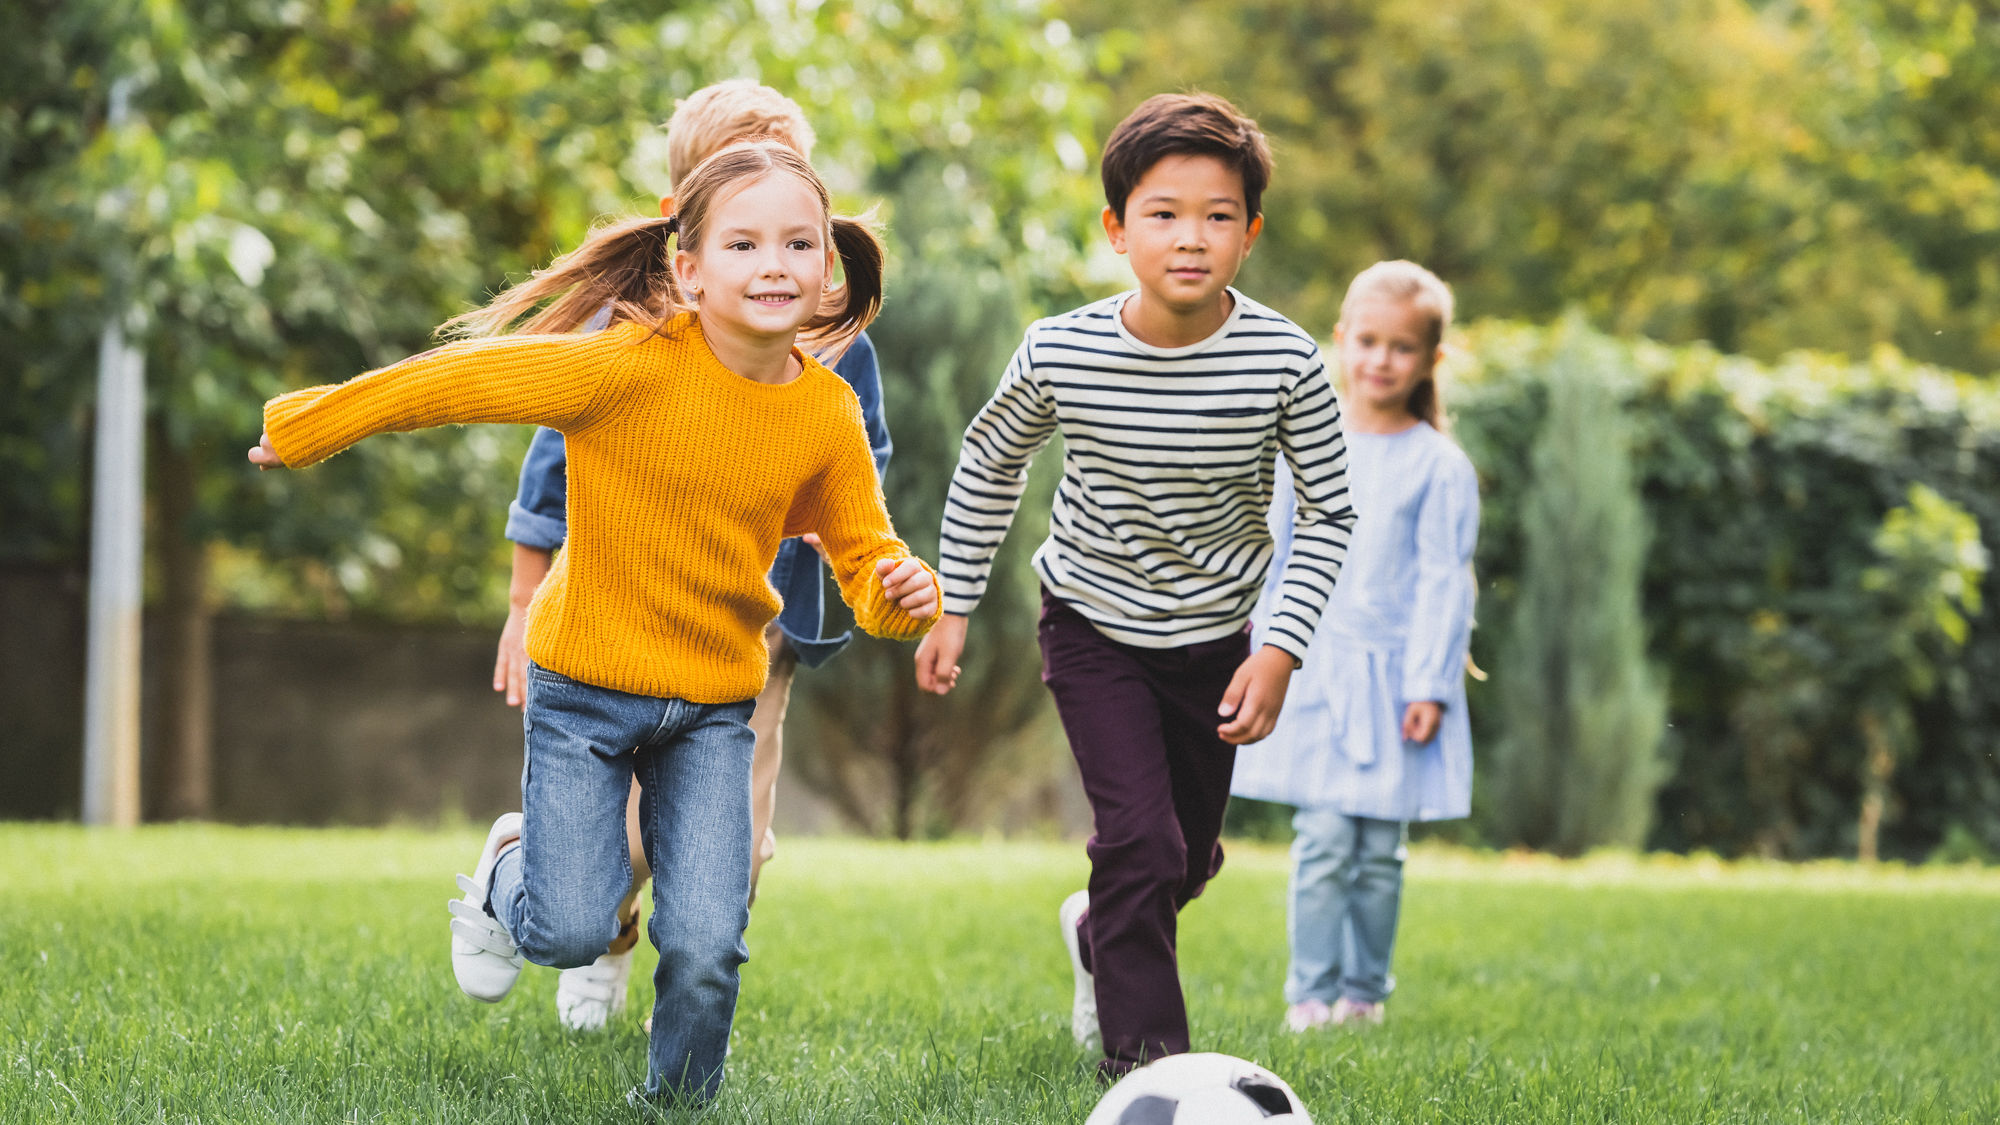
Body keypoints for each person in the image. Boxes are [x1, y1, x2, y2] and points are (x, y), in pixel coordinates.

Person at [248, 139, 939, 1106]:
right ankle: (509, 868)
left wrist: (904, 595)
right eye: (743, 245)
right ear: (688, 272)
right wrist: (312, 424)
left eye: (798, 243)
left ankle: (677, 1103)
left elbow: (867, 562)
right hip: (584, 689)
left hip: (712, 707)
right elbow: (460, 381)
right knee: (568, 928)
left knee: (708, 937)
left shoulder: (827, 413)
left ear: (828, 268)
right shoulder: (623, 368)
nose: (774, 264)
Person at [912, 92, 1358, 1078]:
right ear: (1117, 230)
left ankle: (1098, 933)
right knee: (1143, 845)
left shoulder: (1285, 362)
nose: (1190, 237)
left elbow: (1329, 513)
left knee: (1180, 859)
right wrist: (954, 602)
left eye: (1217, 215)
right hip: (1091, 626)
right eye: (1163, 213)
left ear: (1250, 234)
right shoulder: (1061, 350)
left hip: (1216, 639)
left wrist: (1279, 651)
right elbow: (990, 462)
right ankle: (1149, 1070)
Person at [492, 80, 894, 1035]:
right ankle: (594, 925)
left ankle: (684, 1013)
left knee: (732, 844)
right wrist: (522, 598)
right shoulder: (630, 335)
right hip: (624, 621)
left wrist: (838, 527)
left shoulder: (834, 339)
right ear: (687, 222)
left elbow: (864, 461)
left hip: (755, 629)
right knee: (611, 821)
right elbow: (550, 462)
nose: (772, 246)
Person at [1230, 260, 1479, 1031]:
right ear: (1340, 340)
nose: (1380, 360)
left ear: (1431, 359)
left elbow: (1443, 580)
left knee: (1378, 849)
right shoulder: (1304, 444)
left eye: (1402, 347)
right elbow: (1272, 554)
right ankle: (1310, 994)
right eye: (1367, 341)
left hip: (1396, 681)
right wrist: (1257, 644)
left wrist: (1429, 683)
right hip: (1314, 666)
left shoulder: (1439, 466)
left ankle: (1365, 993)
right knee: (1326, 837)